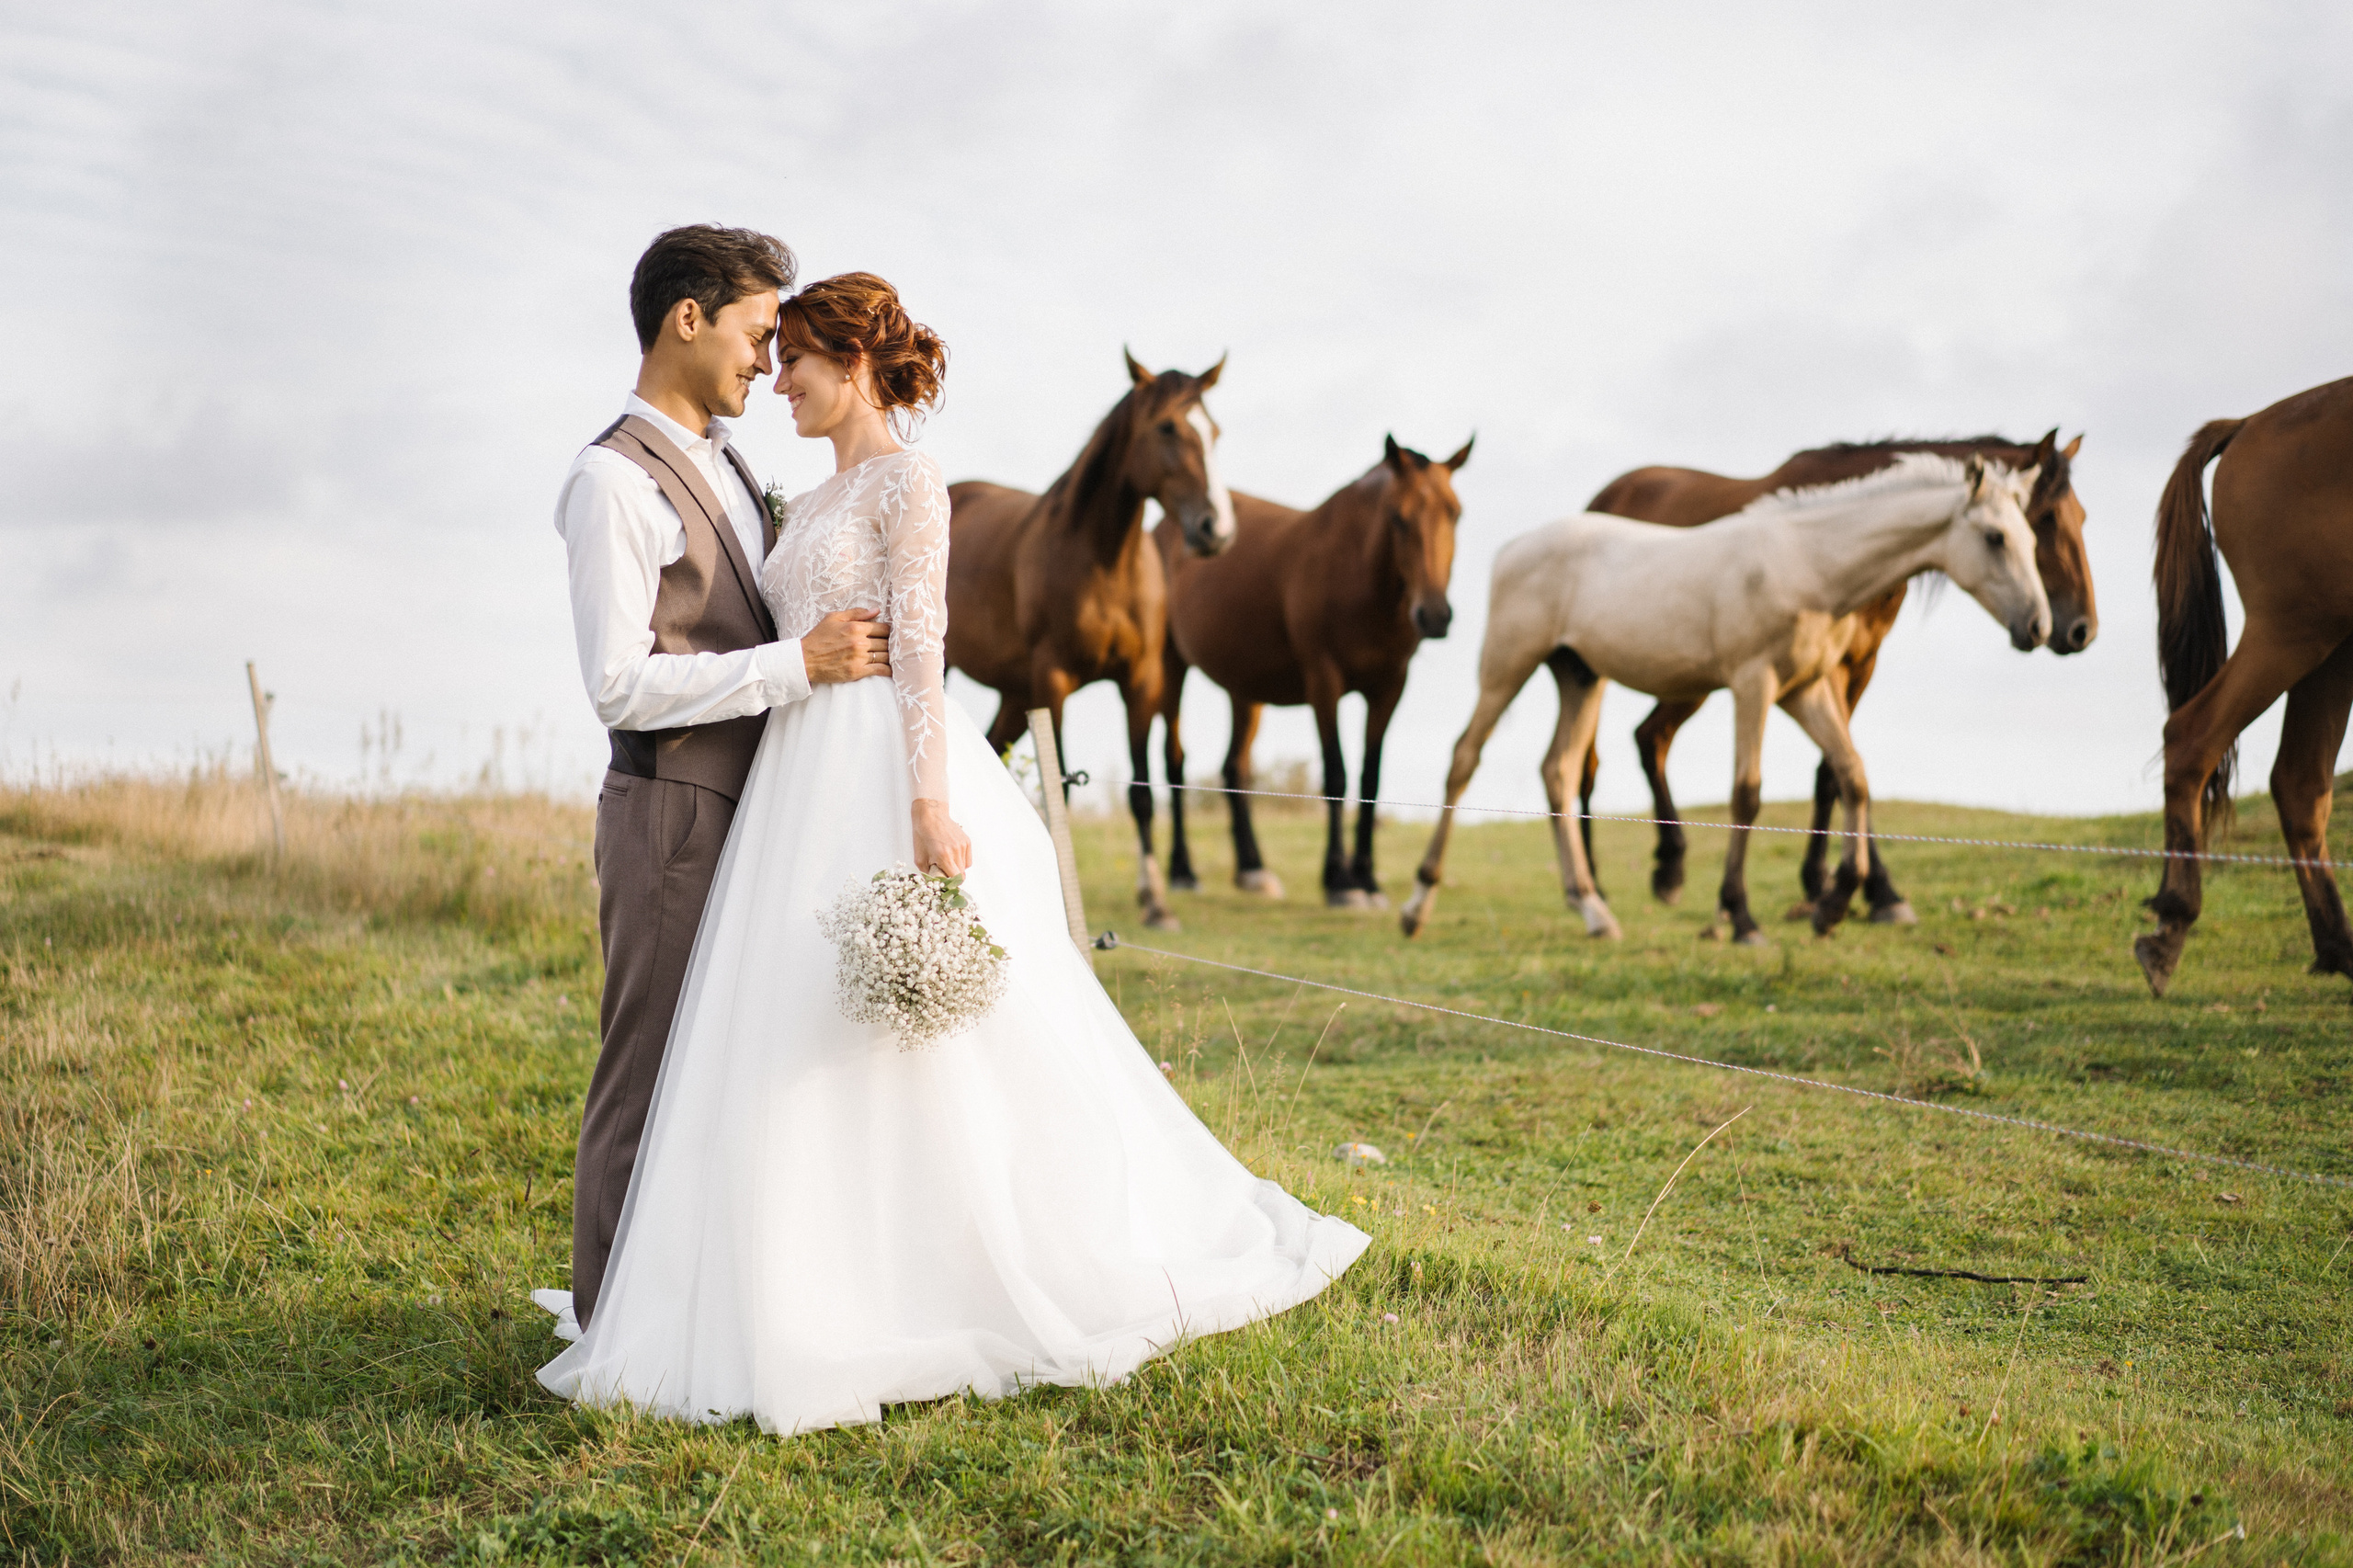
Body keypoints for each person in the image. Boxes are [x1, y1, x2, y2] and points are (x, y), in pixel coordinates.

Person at [535, 270, 1368, 1434]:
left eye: (798, 358)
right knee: (792, 1013)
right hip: (790, 777)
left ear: (857, 361)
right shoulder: (802, 494)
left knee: (918, 1022)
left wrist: (928, 802)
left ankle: (954, 1261)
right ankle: (799, 1264)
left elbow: (919, 647)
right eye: (768, 353)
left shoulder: (909, 479)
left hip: (875, 763)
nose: (777, 379)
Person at [551, 225, 893, 1334]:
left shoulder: (738, 467)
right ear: (685, 320)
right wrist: (801, 665)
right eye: (755, 332)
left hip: (762, 809)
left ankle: (702, 1304)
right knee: (646, 1072)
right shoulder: (610, 479)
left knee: (731, 1068)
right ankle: (613, 1324)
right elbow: (617, 683)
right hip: (670, 811)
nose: (765, 358)